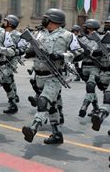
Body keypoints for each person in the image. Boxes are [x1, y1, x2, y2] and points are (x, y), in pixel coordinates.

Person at [21, 8, 83, 144]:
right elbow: (27, 51)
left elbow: (79, 53)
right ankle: (57, 134)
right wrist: (29, 52)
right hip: (39, 76)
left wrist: (61, 55)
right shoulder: (38, 34)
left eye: (46, 17)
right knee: (52, 106)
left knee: (43, 102)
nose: (43, 20)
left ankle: (33, 127)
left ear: (53, 20)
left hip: (54, 76)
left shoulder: (68, 35)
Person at [77, 19, 110, 132]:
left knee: (104, 96)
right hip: (98, 71)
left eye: (109, 24)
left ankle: (89, 109)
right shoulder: (98, 39)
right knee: (106, 97)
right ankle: (97, 110)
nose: (107, 26)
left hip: (100, 69)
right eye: (106, 24)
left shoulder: (100, 38)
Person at [0, 15, 27, 114]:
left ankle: (12, 102)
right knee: (9, 78)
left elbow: (23, 48)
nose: (3, 22)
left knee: (4, 78)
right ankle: (14, 95)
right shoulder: (2, 32)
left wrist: (14, 51)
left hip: (11, 60)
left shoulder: (17, 35)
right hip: (2, 59)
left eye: (6, 21)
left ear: (10, 23)